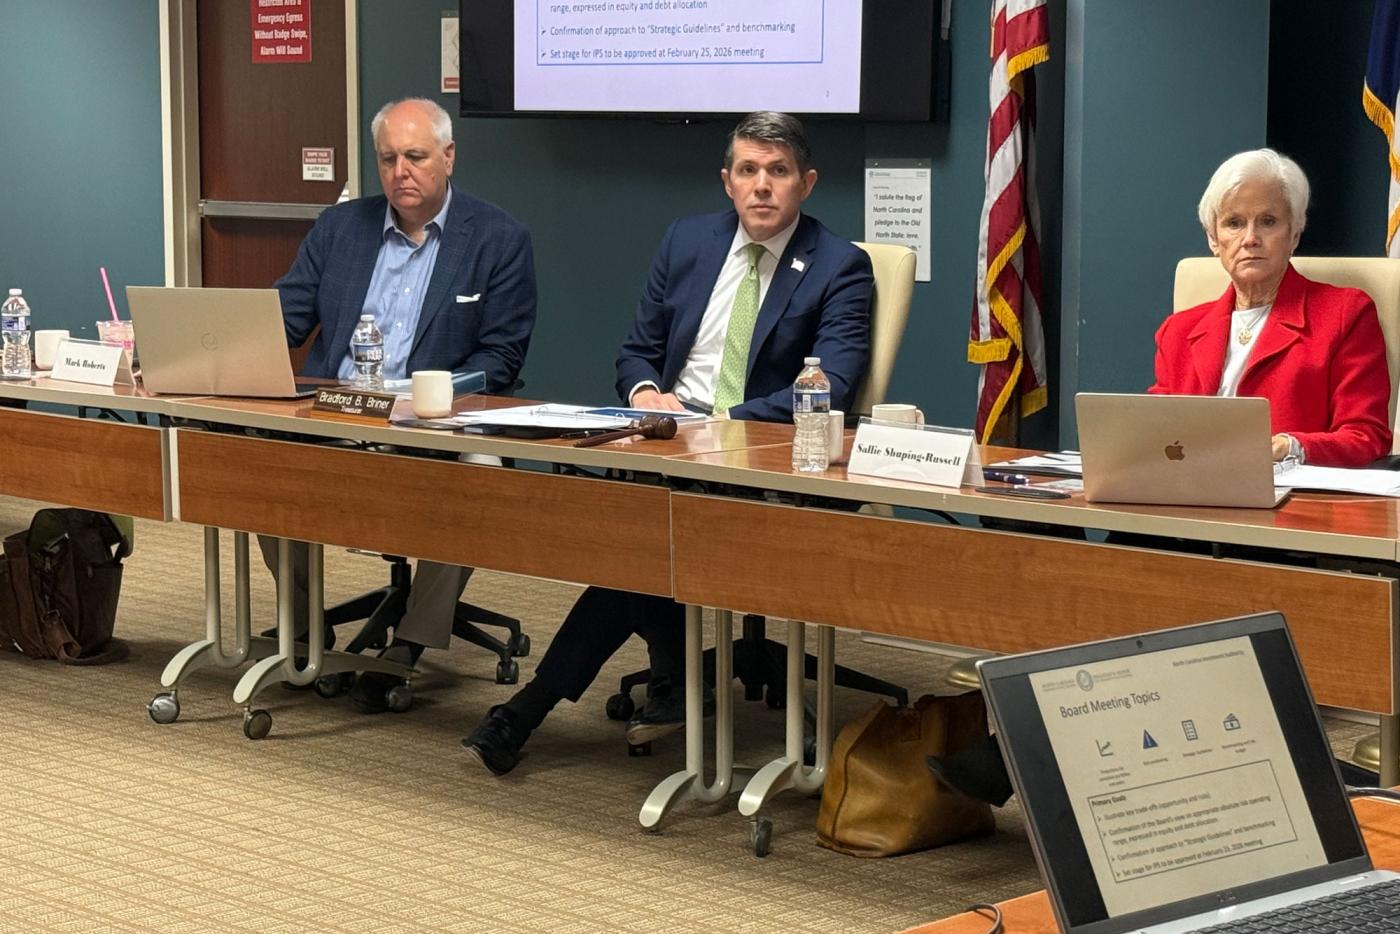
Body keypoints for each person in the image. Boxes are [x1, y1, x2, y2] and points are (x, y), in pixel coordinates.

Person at [930, 148, 1394, 807]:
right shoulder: (1183, 329)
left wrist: (1287, 445)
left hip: (1284, 524)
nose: (1251, 238)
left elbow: (1368, 437)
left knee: (1152, 594)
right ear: (1212, 238)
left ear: (1296, 230)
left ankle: (1022, 763)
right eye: (1234, 223)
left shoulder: (1343, 315)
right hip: (1182, 516)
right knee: (1103, 583)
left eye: (1268, 220)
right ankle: (1047, 758)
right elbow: (1160, 430)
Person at [462, 111, 874, 775]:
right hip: (661, 443)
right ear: (727, 181)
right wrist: (647, 394)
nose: (761, 186)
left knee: (640, 549)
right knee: (635, 533)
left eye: (778, 172)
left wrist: (715, 420)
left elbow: (828, 390)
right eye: (747, 171)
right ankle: (672, 678)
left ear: (807, 183)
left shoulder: (839, 267)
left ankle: (536, 706)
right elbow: (637, 352)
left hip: (756, 461)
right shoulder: (688, 242)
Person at [260, 97, 537, 712]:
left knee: (480, 472)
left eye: (414, 157)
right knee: (255, 462)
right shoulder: (340, 228)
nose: (400, 172)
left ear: (448, 157)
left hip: (433, 421)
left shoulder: (497, 239)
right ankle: (306, 629)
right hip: (334, 410)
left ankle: (410, 641)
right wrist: (231, 344)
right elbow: (286, 317)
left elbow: (503, 359)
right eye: (388, 159)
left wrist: (428, 397)